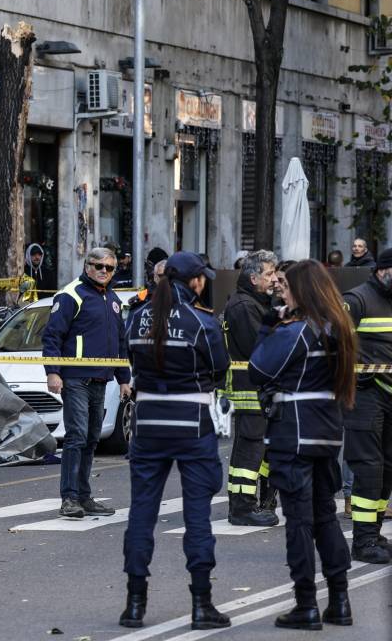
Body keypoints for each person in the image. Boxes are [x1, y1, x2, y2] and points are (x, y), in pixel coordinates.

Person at [120, 251, 230, 631]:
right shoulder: (202, 322)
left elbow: (131, 360)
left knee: (141, 512)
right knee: (197, 515)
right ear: (194, 281)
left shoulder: (138, 318)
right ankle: (202, 604)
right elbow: (220, 368)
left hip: (148, 424)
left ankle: (134, 604)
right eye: (203, 278)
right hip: (192, 424)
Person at [249, 260, 357, 630]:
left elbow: (258, 369)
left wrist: (268, 326)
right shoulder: (337, 327)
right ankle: (340, 601)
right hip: (326, 434)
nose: (283, 292)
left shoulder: (298, 330)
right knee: (325, 516)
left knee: (298, 523)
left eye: (287, 287)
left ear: (303, 290)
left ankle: (306, 604)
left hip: (293, 436)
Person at [42, 247, 130, 519]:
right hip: (75, 377)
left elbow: (120, 342)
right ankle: (69, 498)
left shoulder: (113, 299)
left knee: (92, 437)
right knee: (77, 435)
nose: (104, 271)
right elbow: (53, 336)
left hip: (100, 379)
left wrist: (124, 379)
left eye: (110, 268)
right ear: (87, 266)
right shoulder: (71, 295)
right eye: (99, 266)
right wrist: (53, 372)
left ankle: (84, 495)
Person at [221, 250, 280, 527]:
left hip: (257, 386)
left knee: (254, 446)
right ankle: (243, 508)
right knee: (249, 447)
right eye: (269, 274)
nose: (274, 278)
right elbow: (258, 349)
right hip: (249, 387)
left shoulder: (255, 302)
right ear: (253, 277)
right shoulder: (245, 306)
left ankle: (250, 502)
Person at [340, 247, 392, 565]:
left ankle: (374, 530)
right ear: (382, 270)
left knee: (387, 467)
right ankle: (363, 540)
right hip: (366, 394)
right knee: (368, 468)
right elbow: (335, 342)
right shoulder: (356, 299)